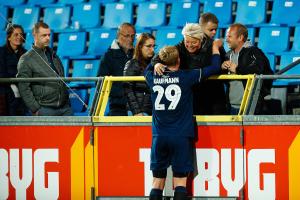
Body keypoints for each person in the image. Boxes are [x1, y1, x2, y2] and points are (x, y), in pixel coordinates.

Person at [145, 45, 222, 200]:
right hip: (181, 136)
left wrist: (156, 64)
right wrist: (214, 48)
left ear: (162, 61)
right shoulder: (186, 77)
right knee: (180, 182)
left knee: (157, 182)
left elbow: (146, 69)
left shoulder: (152, 77)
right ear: (179, 60)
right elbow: (215, 67)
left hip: (159, 137)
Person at [152, 23, 227, 115]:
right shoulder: (179, 47)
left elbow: (223, 63)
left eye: (194, 42)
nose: (190, 45)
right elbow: (159, 57)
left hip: (214, 94)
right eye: (187, 41)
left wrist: (224, 64)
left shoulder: (213, 45)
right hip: (192, 95)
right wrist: (156, 64)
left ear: (201, 39)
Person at [17, 22, 73, 116]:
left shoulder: (54, 55)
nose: (48, 38)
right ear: (35, 36)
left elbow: (62, 80)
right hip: (45, 109)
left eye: (49, 35)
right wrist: (35, 108)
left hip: (65, 108)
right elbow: (23, 86)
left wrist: (67, 103)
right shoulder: (26, 58)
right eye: (44, 35)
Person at [222, 23, 273, 114]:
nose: (226, 40)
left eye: (229, 36)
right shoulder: (228, 55)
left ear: (240, 37)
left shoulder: (254, 51)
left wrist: (237, 69)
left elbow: (258, 69)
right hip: (231, 107)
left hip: (250, 107)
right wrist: (222, 67)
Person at [98, 22, 136, 116]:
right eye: (127, 36)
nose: (130, 39)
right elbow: (100, 82)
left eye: (132, 36)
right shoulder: (108, 56)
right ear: (119, 36)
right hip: (118, 105)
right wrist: (122, 92)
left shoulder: (137, 54)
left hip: (137, 104)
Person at [123, 33, 155, 116]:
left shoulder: (155, 64)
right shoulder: (132, 64)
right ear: (140, 47)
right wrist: (136, 112)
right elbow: (127, 89)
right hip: (140, 112)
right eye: (149, 46)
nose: (152, 49)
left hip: (153, 110)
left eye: (153, 46)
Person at [0, 24, 27, 116]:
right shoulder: (1, 52)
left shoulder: (26, 53)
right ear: (9, 37)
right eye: (16, 34)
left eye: (21, 34)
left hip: (23, 90)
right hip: (6, 91)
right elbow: (2, 73)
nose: (19, 37)